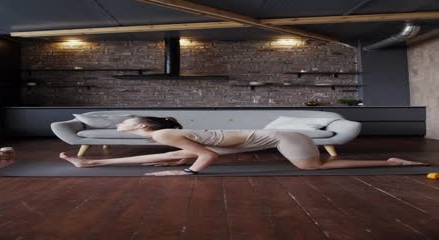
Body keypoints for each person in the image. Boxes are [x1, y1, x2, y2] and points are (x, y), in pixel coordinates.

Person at [59, 115, 429, 176]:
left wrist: (187, 173)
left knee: (310, 169)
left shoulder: (160, 133)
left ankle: (393, 161)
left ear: (140, 126)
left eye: (123, 121)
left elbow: (203, 156)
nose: (117, 124)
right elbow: (178, 150)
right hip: (268, 140)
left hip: (287, 139)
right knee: (171, 157)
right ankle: (92, 166)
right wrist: (98, 165)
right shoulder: (159, 135)